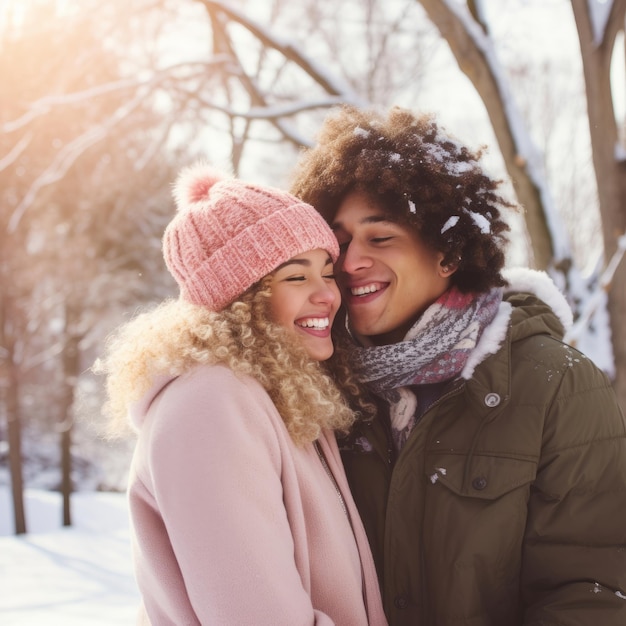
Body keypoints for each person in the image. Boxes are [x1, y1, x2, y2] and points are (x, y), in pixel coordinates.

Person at [290, 104, 626, 625]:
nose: (350, 261)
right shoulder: (309, 387)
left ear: (449, 254)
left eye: (381, 238)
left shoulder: (556, 384)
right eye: (338, 242)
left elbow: (590, 589)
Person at [95, 163, 388, 625]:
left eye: (326, 272)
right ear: (240, 298)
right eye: (295, 277)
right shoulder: (209, 405)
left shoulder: (278, 395)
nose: (327, 295)